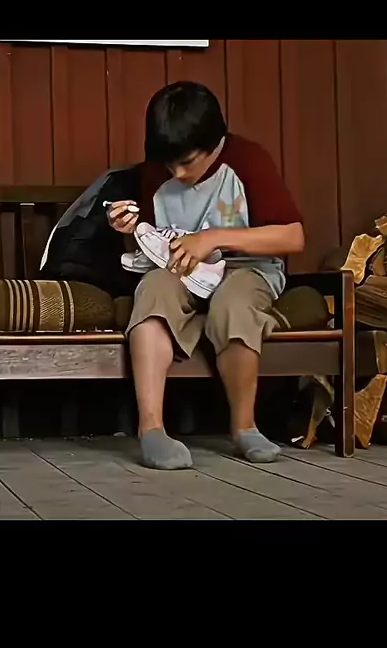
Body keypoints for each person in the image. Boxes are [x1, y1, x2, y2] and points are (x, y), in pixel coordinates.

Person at [108, 81, 305, 470]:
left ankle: (245, 427)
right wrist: (130, 230)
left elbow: (292, 237)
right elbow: (151, 245)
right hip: (178, 270)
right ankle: (152, 430)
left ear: (215, 143)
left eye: (187, 162)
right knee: (152, 290)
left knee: (235, 303)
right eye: (170, 164)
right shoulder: (158, 170)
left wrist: (213, 238)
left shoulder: (247, 160)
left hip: (244, 268)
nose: (178, 173)